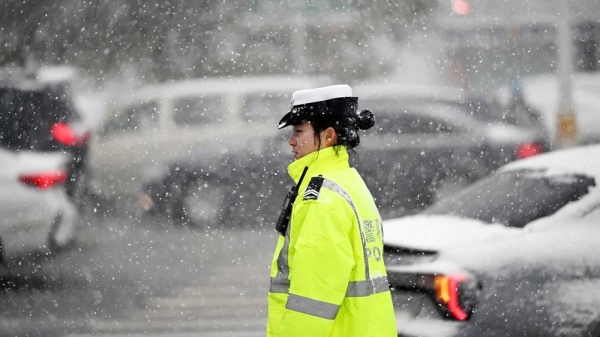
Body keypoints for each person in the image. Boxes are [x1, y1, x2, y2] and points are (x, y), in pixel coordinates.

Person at [267, 84, 397, 337]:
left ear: (328, 136)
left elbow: (312, 299)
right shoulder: (349, 182)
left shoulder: (321, 200)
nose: (291, 140)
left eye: (299, 131)